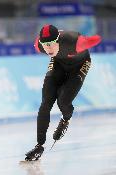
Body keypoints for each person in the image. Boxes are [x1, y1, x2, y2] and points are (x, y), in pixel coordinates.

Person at [25, 24, 101, 161]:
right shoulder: (39, 46)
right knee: (45, 103)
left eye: (51, 44)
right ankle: (39, 145)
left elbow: (96, 39)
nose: (48, 48)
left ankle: (65, 120)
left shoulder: (75, 42)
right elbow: (44, 45)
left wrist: (95, 37)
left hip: (80, 64)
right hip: (58, 63)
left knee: (63, 101)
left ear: (58, 39)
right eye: (45, 44)